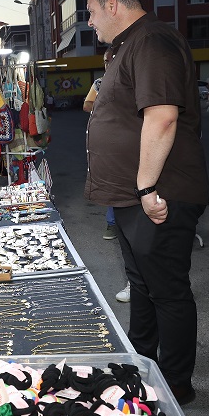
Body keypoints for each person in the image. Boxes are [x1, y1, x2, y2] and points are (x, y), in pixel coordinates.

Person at [85, 0, 209, 404]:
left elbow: (162, 117)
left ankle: (176, 386)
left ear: (114, 6)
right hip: (131, 195)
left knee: (167, 290)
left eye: (92, 11)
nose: (90, 21)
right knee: (142, 285)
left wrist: (146, 186)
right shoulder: (126, 46)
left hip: (159, 192)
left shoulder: (152, 41)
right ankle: (140, 365)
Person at [84, 73, 130, 303]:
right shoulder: (101, 83)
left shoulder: (136, 77)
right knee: (117, 192)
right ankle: (113, 224)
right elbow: (87, 104)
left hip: (131, 152)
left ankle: (138, 280)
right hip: (115, 153)